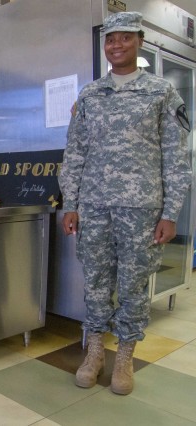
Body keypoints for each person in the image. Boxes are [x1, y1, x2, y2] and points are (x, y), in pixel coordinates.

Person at [59, 11, 192, 395]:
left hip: (142, 209)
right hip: (94, 207)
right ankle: (95, 351)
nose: (116, 45)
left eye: (125, 38)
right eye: (110, 39)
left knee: (134, 284)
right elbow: (76, 153)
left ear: (140, 42)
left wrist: (171, 213)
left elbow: (175, 157)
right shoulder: (90, 95)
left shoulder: (162, 92)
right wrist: (72, 204)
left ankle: (125, 357)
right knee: (96, 282)